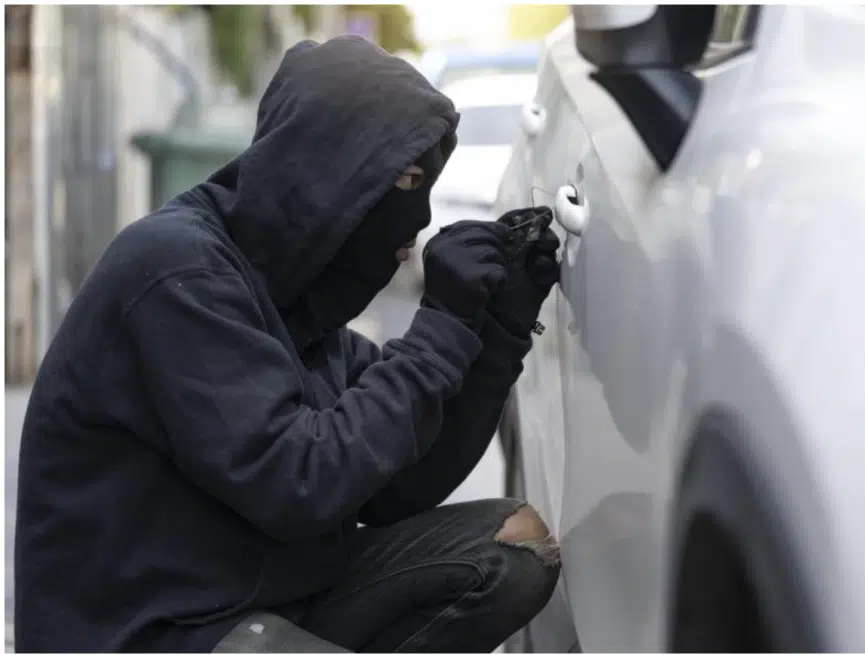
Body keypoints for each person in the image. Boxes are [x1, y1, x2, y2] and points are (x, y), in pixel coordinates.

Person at [15, 36, 562, 653]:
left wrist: (499, 330)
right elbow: (300, 483)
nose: (417, 218)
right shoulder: (176, 273)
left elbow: (401, 485)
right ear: (329, 174)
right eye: (407, 179)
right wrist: (437, 327)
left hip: (262, 599)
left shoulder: (300, 303)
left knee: (510, 550)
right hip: (148, 629)